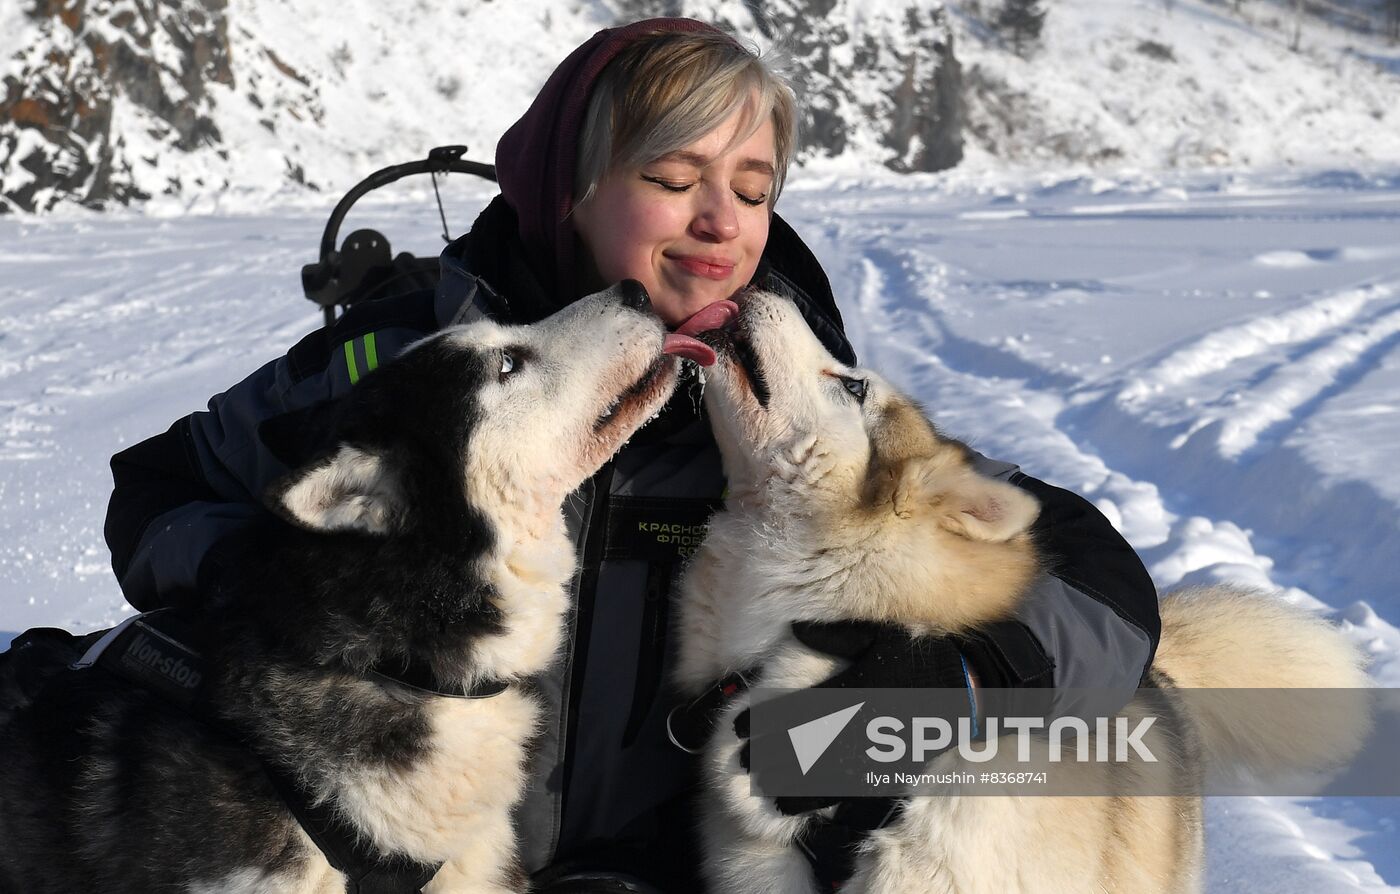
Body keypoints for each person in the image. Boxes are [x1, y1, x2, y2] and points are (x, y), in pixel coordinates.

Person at [103, 17, 1159, 893]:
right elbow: (157, 488)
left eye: (751, 189)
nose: (719, 222)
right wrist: (266, 575)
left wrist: (955, 678)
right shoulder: (405, 373)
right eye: (671, 174)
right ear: (566, 185)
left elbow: (1103, 592)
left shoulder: (781, 408)